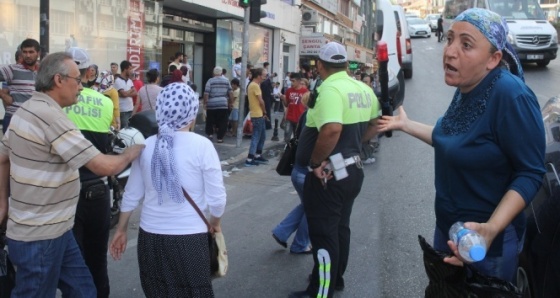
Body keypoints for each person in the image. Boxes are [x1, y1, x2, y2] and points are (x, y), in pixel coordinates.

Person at [377, 8, 545, 283]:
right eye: (450, 39)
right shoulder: (467, 87)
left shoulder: (510, 95)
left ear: (494, 59)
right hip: (449, 231)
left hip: (486, 246)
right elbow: (452, 139)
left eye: (466, 44)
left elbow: (530, 172)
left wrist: (490, 229)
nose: (450, 52)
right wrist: (405, 125)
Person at [0, 51, 144, 297]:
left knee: (84, 291)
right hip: (40, 235)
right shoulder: (52, 118)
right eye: (77, 80)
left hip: (59, 228)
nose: (81, 86)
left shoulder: (27, 108)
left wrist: (3, 202)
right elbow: (103, 166)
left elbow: (3, 157)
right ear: (58, 80)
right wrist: (133, 151)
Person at [109, 82, 226, 298]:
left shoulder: (146, 145)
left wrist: (121, 230)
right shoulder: (202, 146)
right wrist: (215, 224)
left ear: (161, 109)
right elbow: (217, 199)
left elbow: (132, 195)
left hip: (151, 239)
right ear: (192, 113)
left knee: (158, 291)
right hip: (190, 238)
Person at [289, 42, 380, 298]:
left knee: (324, 234)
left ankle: (321, 291)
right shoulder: (363, 89)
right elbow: (376, 123)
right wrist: (355, 145)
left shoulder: (329, 89)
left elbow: (331, 129)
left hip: (328, 173)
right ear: (346, 63)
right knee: (340, 228)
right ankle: (334, 279)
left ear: (320, 65)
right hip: (351, 169)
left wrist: (317, 162)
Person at [64, 48, 115, 298]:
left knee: (74, 264)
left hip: (67, 189)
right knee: (97, 262)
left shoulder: (57, 103)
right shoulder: (105, 102)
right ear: (89, 71)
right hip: (98, 187)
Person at [272, 91, 312, 255]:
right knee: (312, 208)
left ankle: (281, 232)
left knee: (307, 205)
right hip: (306, 170)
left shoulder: (305, 115)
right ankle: (300, 244)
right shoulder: (313, 118)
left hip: (298, 168)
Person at [0, 38, 41, 134]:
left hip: (33, 120)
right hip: (14, 118)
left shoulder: (42, 71)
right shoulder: (12, 69)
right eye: (25, 52)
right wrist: (3, 95)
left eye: (31, 52)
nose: (28, 55)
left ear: (38, 53)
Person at [244, 68, 269, 167]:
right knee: (256, 136)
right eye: (264, 75)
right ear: (259, 76)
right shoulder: (255, 85)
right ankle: (250, 158)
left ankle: (258, 155)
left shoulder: (253, 85)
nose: (265, 77)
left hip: (258, 114)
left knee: (262, 136)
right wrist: (264, 111)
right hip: (257, 114)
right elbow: (261, 101)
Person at [203, 66, 233, 143]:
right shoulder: (226, 80)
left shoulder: (210, 81)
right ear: (221, 73)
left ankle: (210, 134)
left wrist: (205, 103)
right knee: (223, 121)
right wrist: (230, 103)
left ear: (213, 73)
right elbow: (230, 92)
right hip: (223, 103)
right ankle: (220, 138)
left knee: (210, 119)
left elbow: (206, 93)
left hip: (211, 104)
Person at [281, 73, 308, 143]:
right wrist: (283, 99)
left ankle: (295, 151)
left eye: (293, 81)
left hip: (299, 118)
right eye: (291, 81)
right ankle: (287, 150)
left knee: (297, 137)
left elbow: (308, 106)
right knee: (287, 137)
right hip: (289, 118)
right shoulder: (289, 91)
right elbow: (286, 104)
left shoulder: (305, 92)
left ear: (299, 81)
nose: (291, 83)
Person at [114, 60, 137, 128]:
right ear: (125, 69)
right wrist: (131, 90)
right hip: (123, 111)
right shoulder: (118, 81)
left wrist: (126, 93)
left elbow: (135, 92)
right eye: (130, 69)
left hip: (131, 109)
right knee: (125, 129)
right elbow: (124, 94)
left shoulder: (130, 80)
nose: (131, 71)